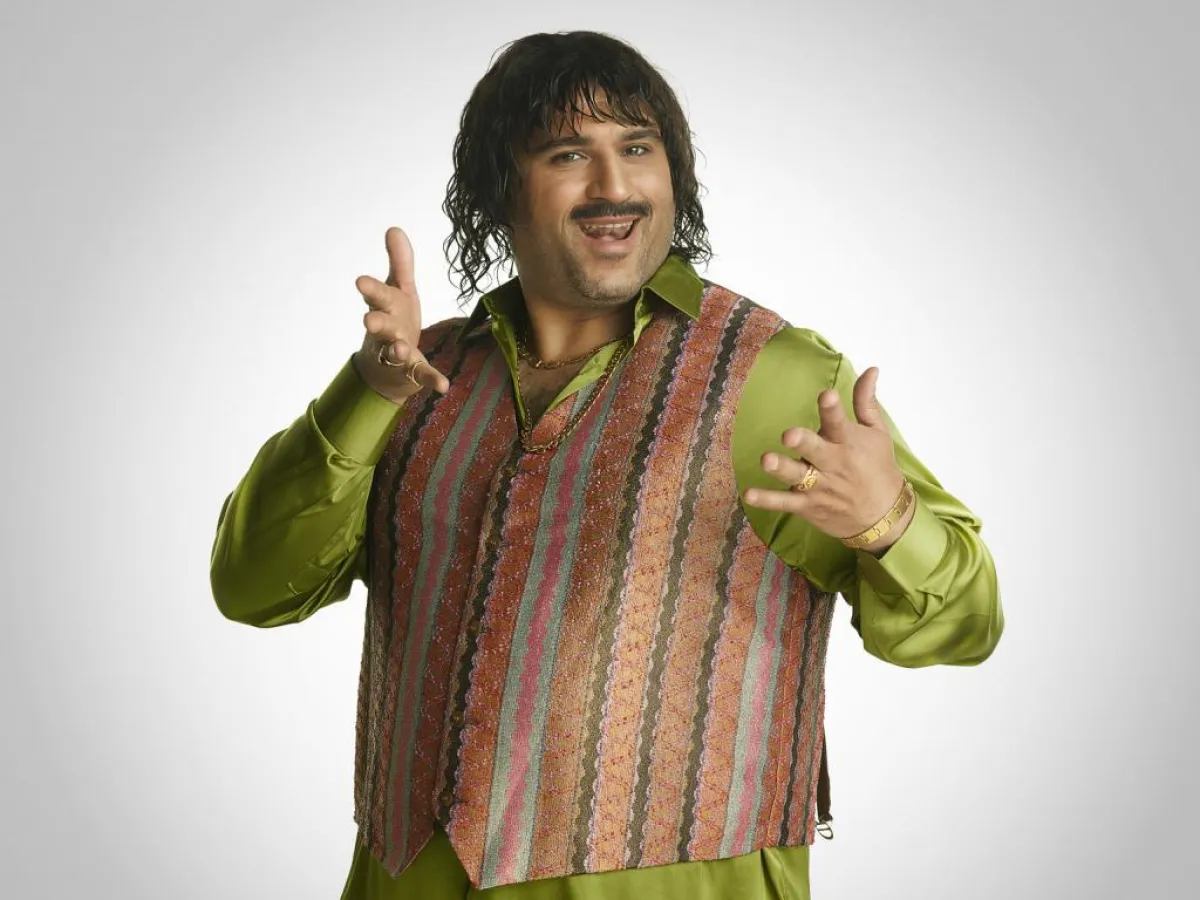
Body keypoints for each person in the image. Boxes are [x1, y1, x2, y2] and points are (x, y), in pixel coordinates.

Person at [209, 29, 1003, 900]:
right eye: (567, 154)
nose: (614, 187)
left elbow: (962, 626)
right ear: (500, 189)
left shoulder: (774, 378)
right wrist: (366, 392)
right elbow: (253, 588)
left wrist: (889, 527)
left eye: (637, 148)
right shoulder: (420, 375)